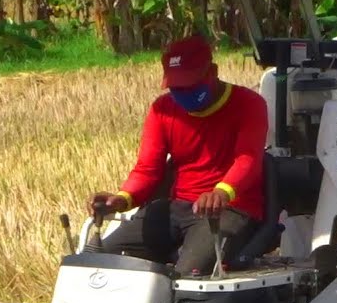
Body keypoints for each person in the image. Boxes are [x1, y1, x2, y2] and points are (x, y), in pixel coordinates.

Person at [88, 34, 268, 276]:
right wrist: (121, 199)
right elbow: (147, 169)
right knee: (99, 263)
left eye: (190, 86)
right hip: (176, 207)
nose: (183, 93)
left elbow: (248, 159)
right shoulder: (162, 110)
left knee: (187, 275)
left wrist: (220, 192)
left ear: (212, 72)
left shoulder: (249, 104)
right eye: (176, 88)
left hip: (230, 209)